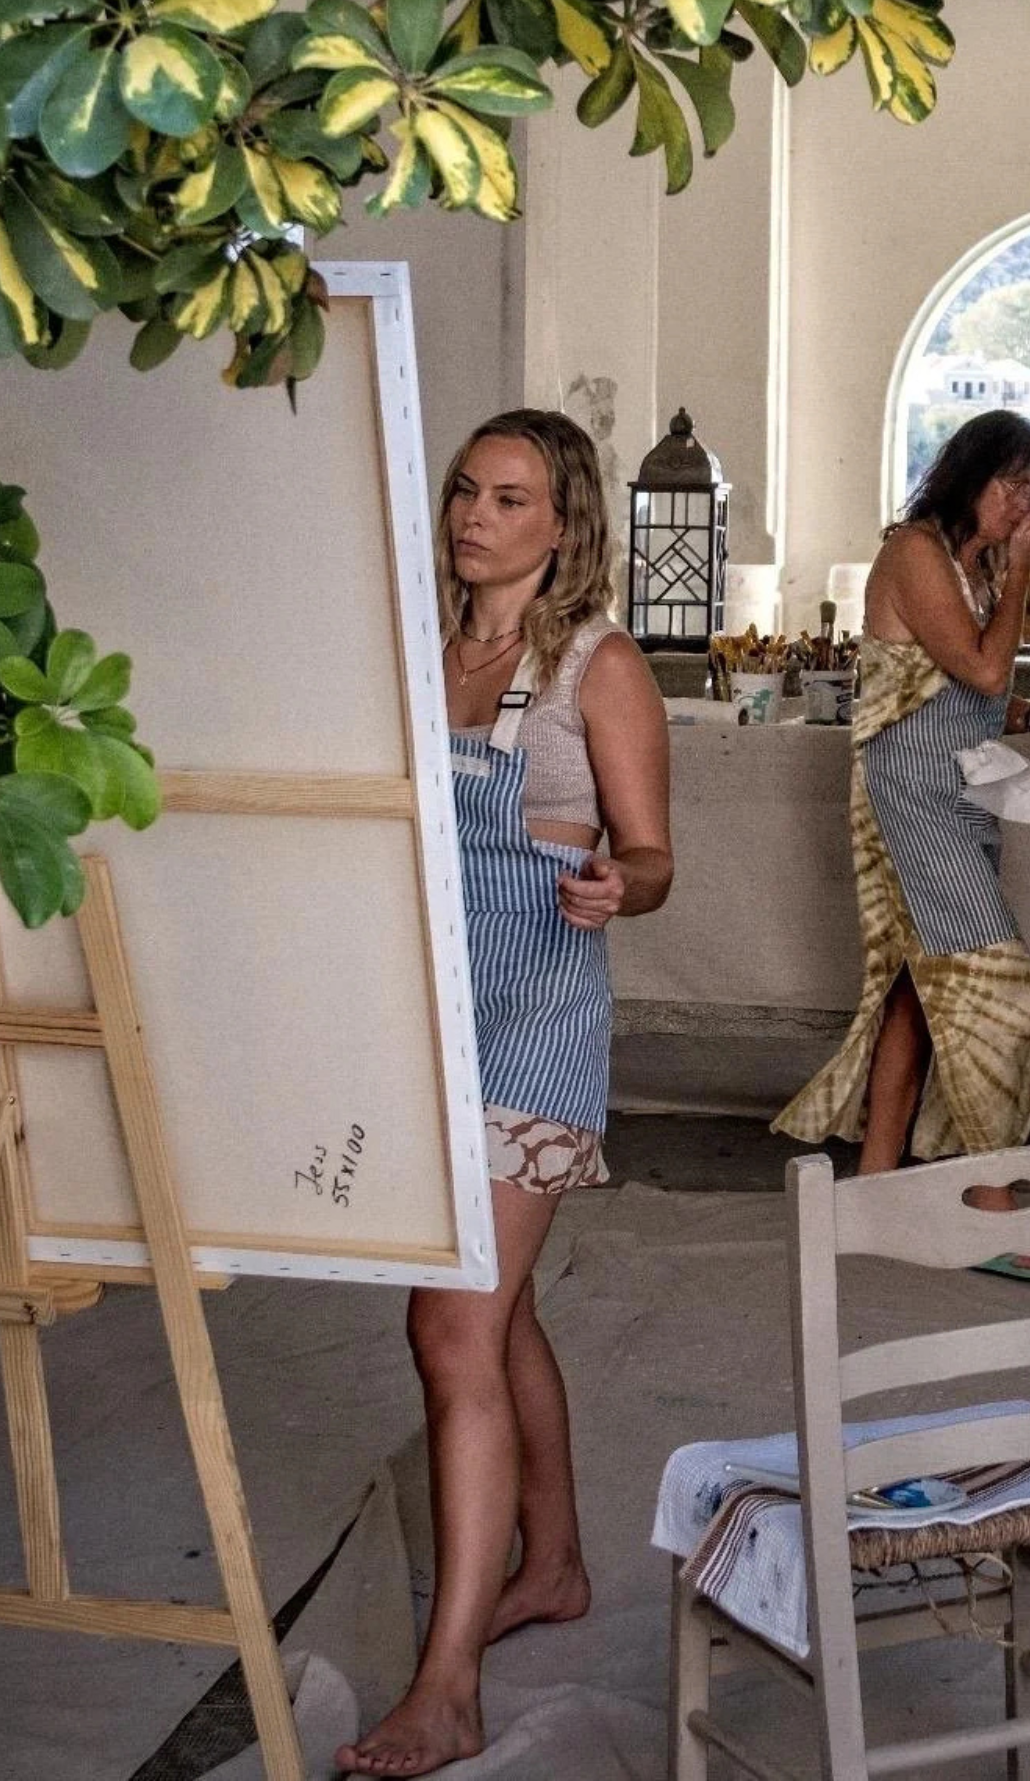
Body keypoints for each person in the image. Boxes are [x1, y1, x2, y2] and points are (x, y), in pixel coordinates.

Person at [340, 410, 673, 1778]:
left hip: (535, 1025)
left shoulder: (598, 670)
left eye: (512, 498)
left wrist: (617, 884)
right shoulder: (428, 654)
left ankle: (449, 1686)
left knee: (449, 1338)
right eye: (468, 492)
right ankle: (560, 1564)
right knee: (504, 1308)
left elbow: (652, 857)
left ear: (564, 522)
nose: (478, 515)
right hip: (424, 1021)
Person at [774, 410, 1030, 1275]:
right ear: (968, 476)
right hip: (914, 795)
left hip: (961, 786)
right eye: (1014, 484)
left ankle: (871, 1192)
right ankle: (986, 1199)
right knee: (992, 992)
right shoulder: (915, 551)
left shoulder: (969, 566)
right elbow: (980, 669)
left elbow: (965, 696)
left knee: (918, 985)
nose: (1028, 504)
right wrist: (1022, 572)